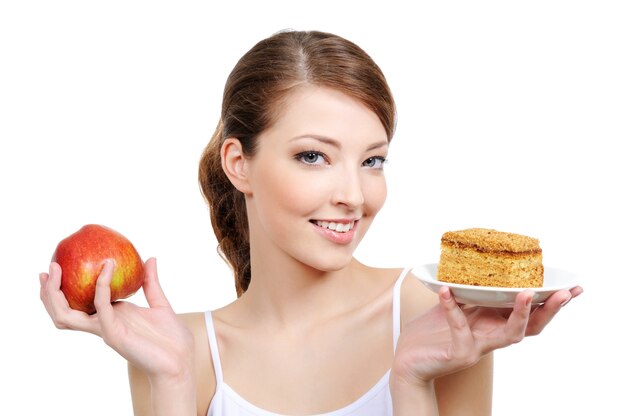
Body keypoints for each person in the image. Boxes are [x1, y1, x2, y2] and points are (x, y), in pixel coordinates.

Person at [39, 29, 582, 416]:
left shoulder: (436, 315)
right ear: (239, 164)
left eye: (372, 161)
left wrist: (412, 383)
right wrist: (174, 380)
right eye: (313, 156)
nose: (353, 195)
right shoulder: (180, 349)